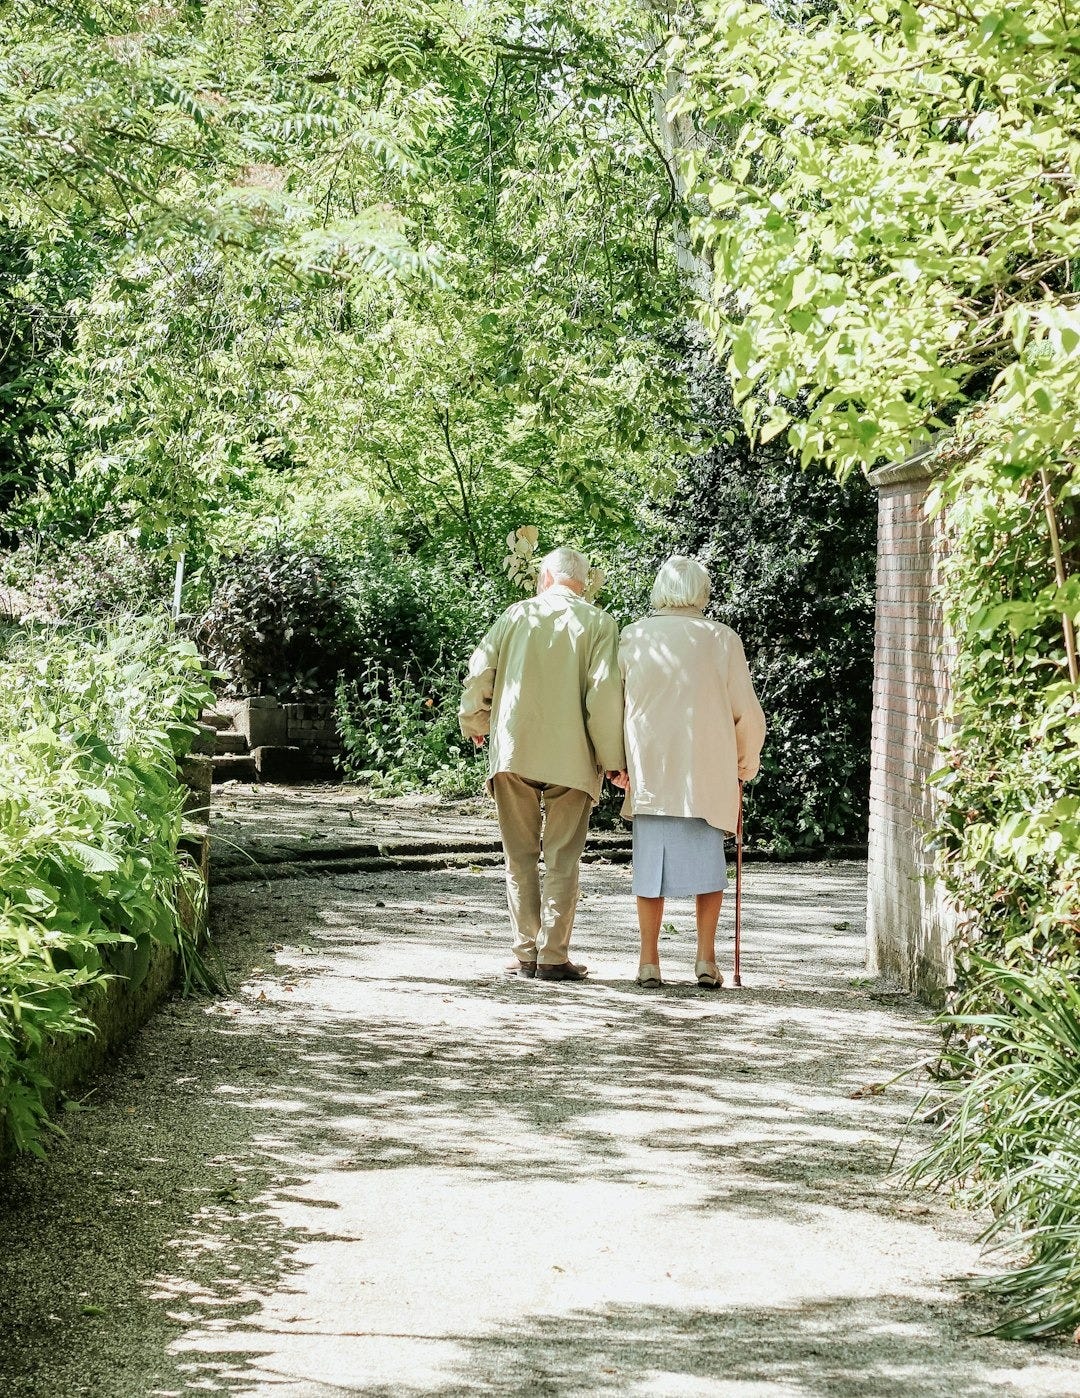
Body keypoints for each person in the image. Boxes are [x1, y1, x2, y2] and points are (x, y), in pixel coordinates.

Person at [459, 546, 626, 982]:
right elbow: (604, 695)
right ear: (583, 583)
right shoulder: (600, 623)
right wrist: (613, 760)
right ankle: (553, 956)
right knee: (562, 857)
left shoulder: (515, 616)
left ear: (546, 577)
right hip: (573, 758)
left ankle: (525, 953)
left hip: (515, 750)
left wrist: (475, 719)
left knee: (519, 856)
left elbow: (480, 672)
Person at [616, 556, 766, 989]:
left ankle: (648, 961)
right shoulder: (721, 639)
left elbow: (614, 706)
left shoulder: (634, 636)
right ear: (702, 592)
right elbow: (747, 713)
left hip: (652, 770)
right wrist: (745, 763)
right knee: (709, 868)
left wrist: (616, 763)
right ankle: (705, 959)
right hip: (707, 771)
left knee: (649, 869)